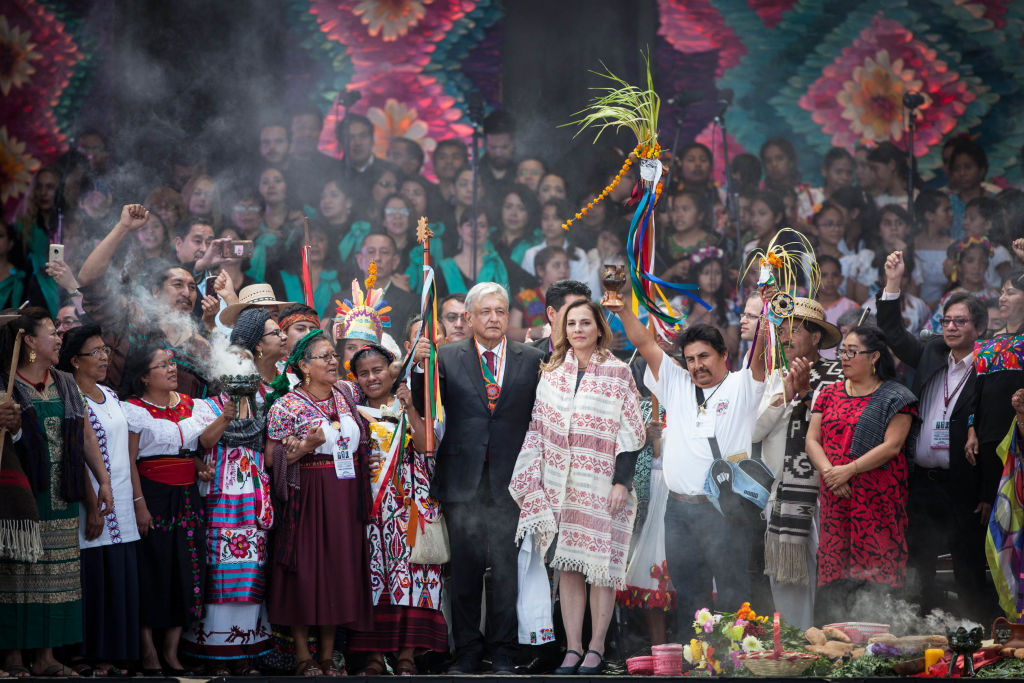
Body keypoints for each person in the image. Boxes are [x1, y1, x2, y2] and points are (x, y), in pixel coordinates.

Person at [604, 296, 767, 630]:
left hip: (724, 509)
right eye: (690, 359)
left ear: (724, 355)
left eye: (704, 356)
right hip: (678, 511)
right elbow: (645, 343)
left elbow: (761, 355)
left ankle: (729, 666)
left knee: (733, 595)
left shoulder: (743, 385)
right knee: (689, 595)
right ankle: (693, 664)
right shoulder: (676, 384)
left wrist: (766, 312)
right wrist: (622, 310)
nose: (697, 366)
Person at [411, 282, 545, 674]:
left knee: (506, 568)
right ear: (468, 318)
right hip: (462, 477)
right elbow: (424, 406)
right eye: (485, 312)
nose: (493, 319)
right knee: (466, 570)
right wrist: (420, 368)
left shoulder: (531, 358)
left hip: (512, 478)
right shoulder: (445, 356)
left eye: (500, 311)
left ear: (508, 315)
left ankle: (502, 649)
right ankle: (467, 650)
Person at [510, 300, 645, 675]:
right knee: (567, 567)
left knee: (601, 568)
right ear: (563, 330)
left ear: (599, 328)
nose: (578, 330)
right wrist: (534, 480)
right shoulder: (551, 373)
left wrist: (622, 481)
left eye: (586, 323)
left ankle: (597, 647)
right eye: (571, 324)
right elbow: (539, 429)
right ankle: (572, 647)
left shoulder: (618, 372)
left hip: (603, 483)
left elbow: (631, 432)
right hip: (561, 484)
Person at [877, 250, 994, 622]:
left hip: (964, 485)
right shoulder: (930, 353)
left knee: (968, 568)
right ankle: (919, 636)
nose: (951, 327)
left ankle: (981, 642)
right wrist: (893, 284)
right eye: (947, 320)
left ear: (979, 329)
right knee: (919, 566)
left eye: (961, 322)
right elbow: (893, 334)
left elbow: (993, 435)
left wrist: (987, 492)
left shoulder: (991, 366)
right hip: (922, 482)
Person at [0, 310, 113, 677]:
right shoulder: (4, 385)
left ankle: (46, 657)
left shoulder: (64, 381)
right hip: (20, 496)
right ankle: (13, 657)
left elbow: (83, 435)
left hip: (62, 495)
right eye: (51, 332)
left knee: (57, 577)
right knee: (17, 571)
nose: (59, 338)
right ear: (29, 342)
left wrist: (103, 481)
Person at [264, 329, 373, 676]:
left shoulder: (346, 393)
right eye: (324, 357)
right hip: (308, 492)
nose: (332, 361)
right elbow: (271, 458)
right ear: (304, 367)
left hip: (345, 491)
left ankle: (327, 656)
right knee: (306, 570)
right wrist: (306, 448)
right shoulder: (287, 405)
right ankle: (302, 656)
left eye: (332, 355)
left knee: (339, 569)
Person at [182, 314, 276, 671]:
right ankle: (216, 652)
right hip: (223, 491)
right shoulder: (209, 404)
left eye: (247, 366)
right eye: (236, 364)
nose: (244, 372)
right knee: (221, 565)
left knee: (251, 565)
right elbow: (203, 441)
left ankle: (245, 648)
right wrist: (226, 412)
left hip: (252, 493)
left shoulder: (264, 404)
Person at [346, 344, 448, 675]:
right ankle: (375, 657)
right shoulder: (351, 413)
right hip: (372, 510)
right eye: (364, 373)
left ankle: (407, 655)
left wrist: (410, 405)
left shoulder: (409, 403)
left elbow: (423, 444)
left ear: (392, 370)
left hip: (411, 505)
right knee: (375, 578)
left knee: (414, 577)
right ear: (356, 378)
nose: (372, 377)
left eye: (378, 369)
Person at [806, 326, 918, 624]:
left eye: (852, 351)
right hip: (836, 500)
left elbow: (892, 447)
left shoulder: (896, 397)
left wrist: (849, 471)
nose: (844, 357)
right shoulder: (828, 392)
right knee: (834, 574)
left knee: (875, 574)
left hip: (876, 502)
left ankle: (876, 653)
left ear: (874, 357)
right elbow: (811, 440)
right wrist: (832, 475)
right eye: (842, 351)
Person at [120, 343, 221, 675]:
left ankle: (172, 652)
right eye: (162, 365)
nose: (172, 369)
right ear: (145, 378)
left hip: (187, 497)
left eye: (172, 363)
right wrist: (139, 505)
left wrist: (227, 417)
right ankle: (148, 652)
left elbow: (200, 444)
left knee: (186, 567)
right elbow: (131, 462)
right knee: (152, 569)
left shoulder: (192, 406)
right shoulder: (133, 409)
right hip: (152, 495)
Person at [59, 325, 142, 675]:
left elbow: (128, 452)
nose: (104, 357)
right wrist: (92, 506)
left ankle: (114, 653)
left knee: (118, 576)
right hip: (89, 502)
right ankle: (86, 654)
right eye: (95, 352)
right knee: (94, 577)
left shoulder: (110, 394)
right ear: (75, 361)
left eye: (105, 350)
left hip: (120, 502)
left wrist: (139, 502)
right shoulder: (69, 396)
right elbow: (76, 455)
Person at [760, 300, 843, 630]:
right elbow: (753, 430)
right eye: (782, 328)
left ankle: (832, 647)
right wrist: (787, 394)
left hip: (828, 493)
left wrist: (808, 394)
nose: (785, 335)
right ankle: (796, 648)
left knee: (829, 576)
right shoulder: (774, 376)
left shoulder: (840, 375)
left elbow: (836, 428)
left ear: (817, 338)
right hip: (781, 494)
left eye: (795, 329)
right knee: (786, 581)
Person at [77, 205, 213, 395]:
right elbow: (88, 280)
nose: (187, 293)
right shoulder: (132, 318)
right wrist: (123, 227)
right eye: (178, 284)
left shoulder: (200, 345)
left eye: (192, 287)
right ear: (156, 292)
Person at [437, 210, 511, 297]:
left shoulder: (497, 264)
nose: (476, 229)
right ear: (459, 229)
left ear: (488, 231)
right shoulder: (445, 268)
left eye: (482, 225)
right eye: (470, 224)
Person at [510, 246, 570, 342]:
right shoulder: (525, 298)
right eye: (556, 265)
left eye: (566, 265)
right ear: (540, 271)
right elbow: (510, 332)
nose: (563, 270)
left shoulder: (574, 298)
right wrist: (534, 332)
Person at [527, 279, 592, 359]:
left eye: (584, 312)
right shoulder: (527, 355)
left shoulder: (603, 358)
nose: (579, 320)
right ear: (551, 314)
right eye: (572, 312)